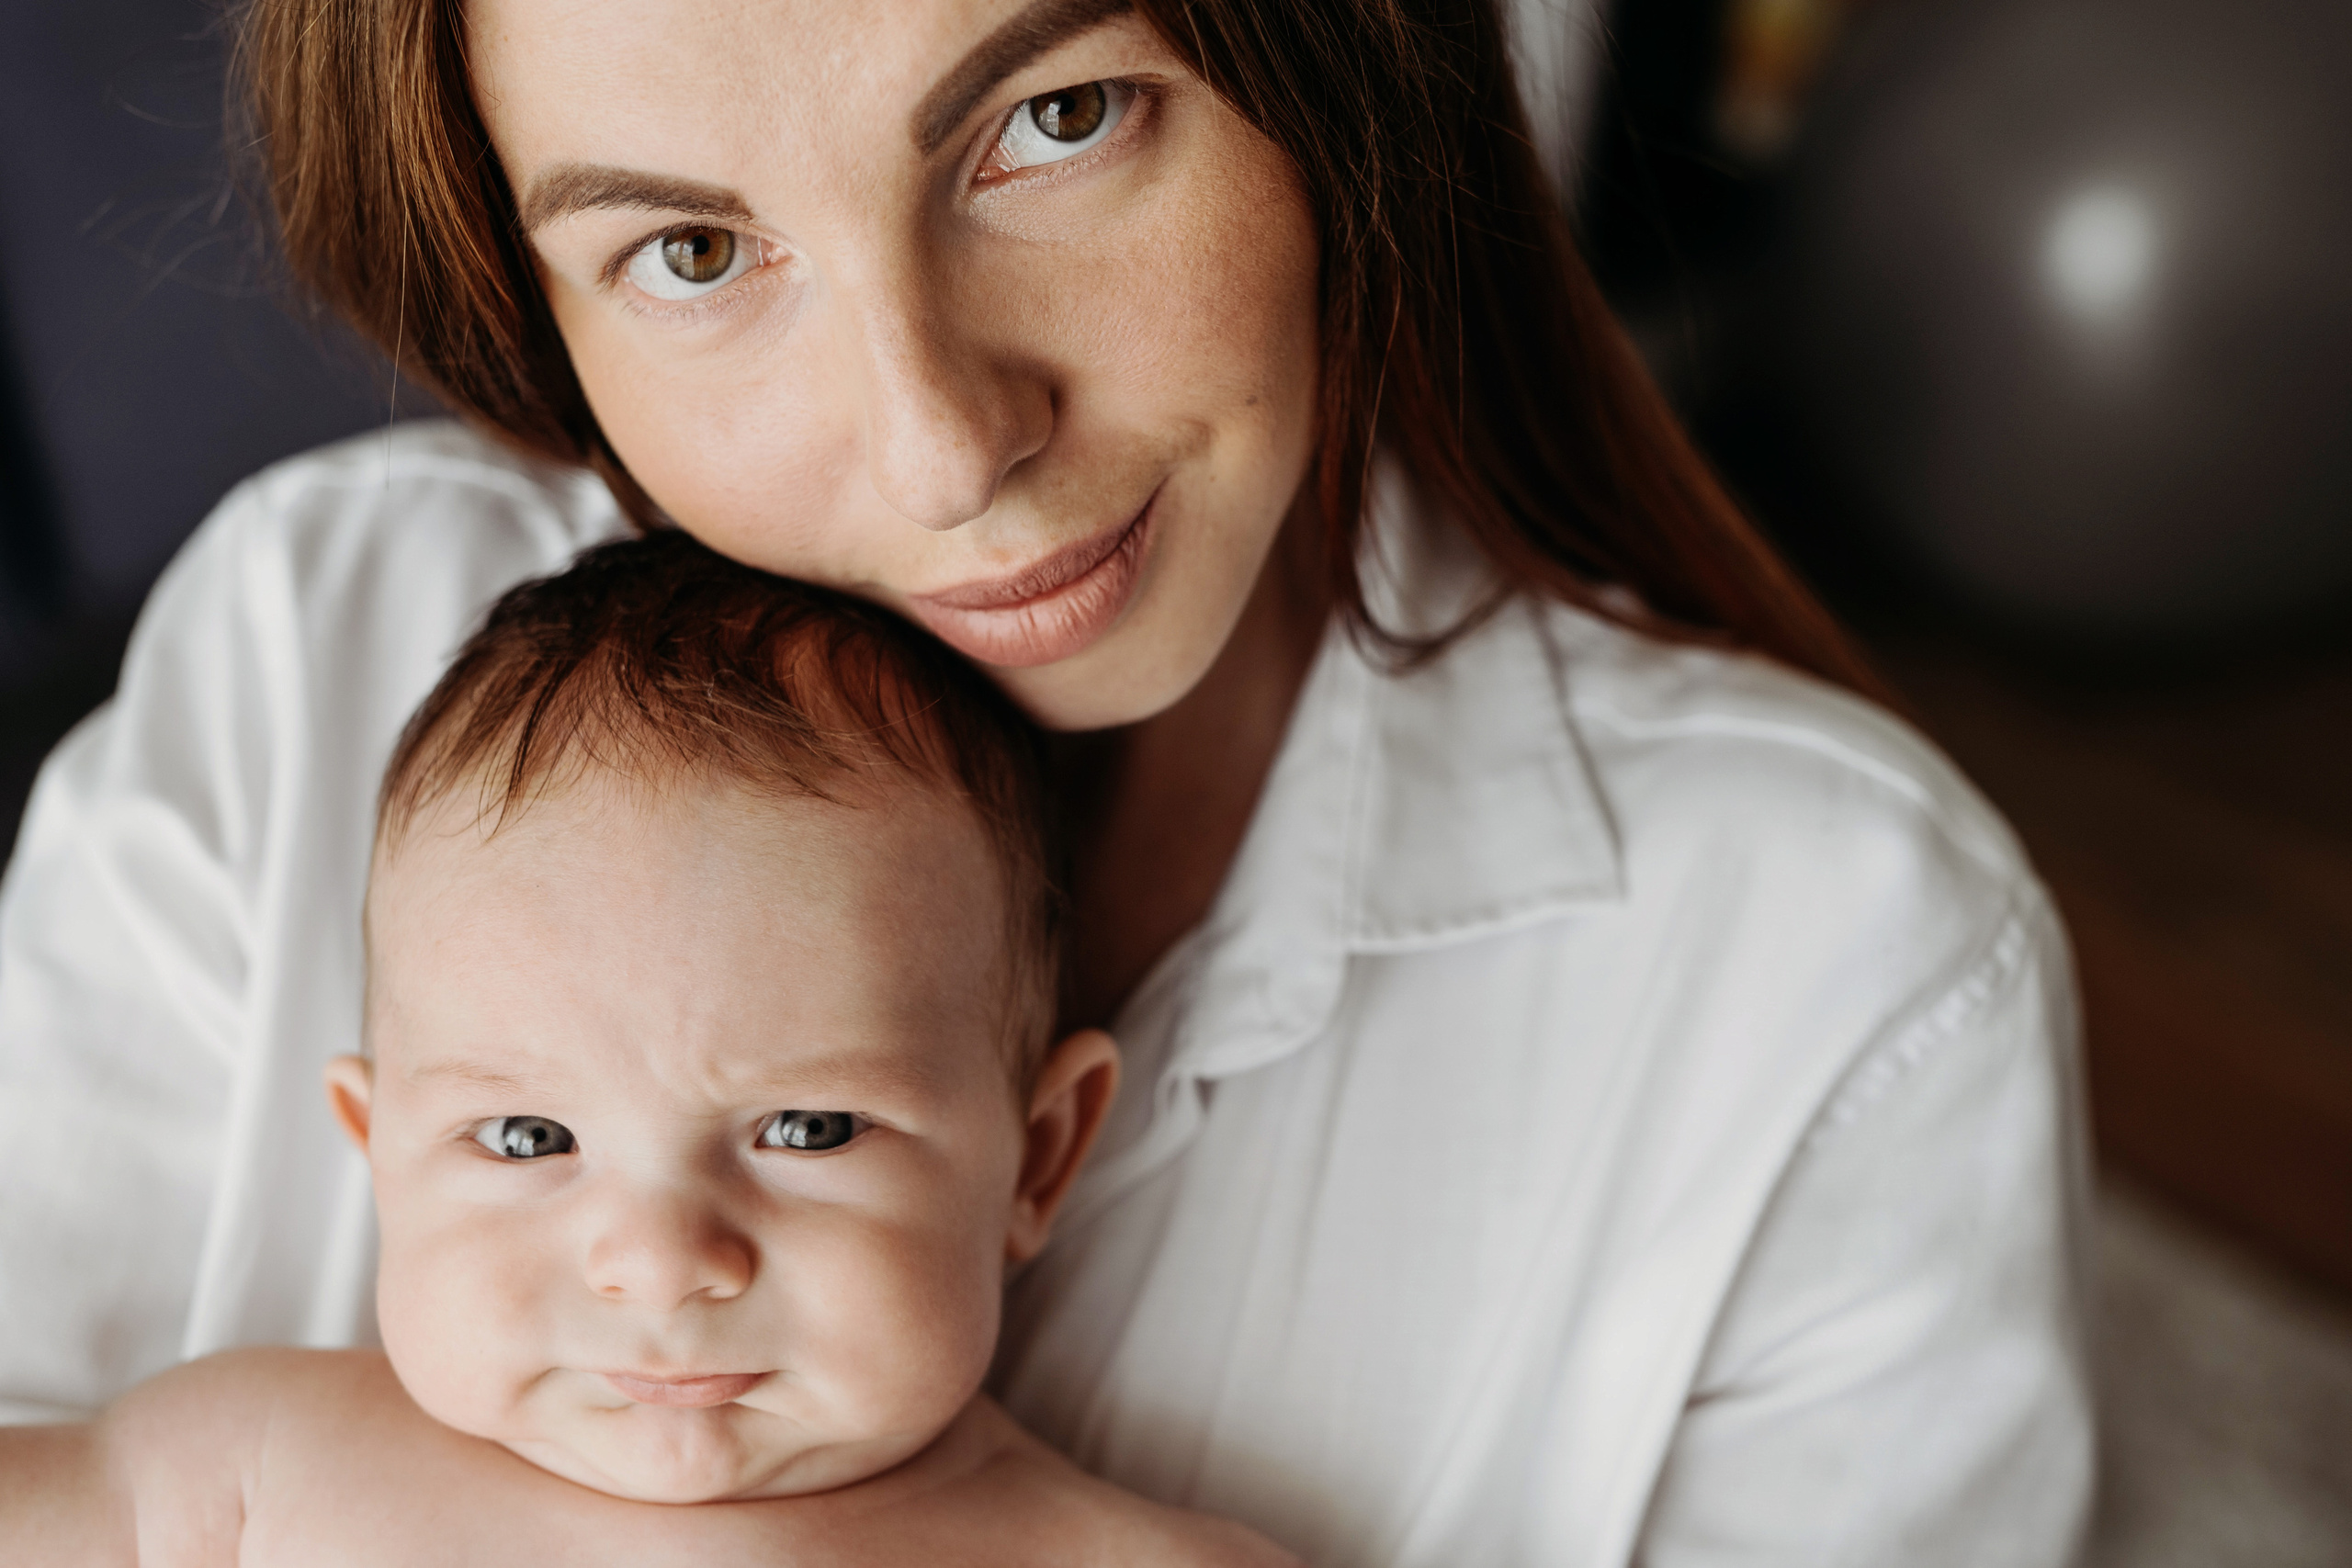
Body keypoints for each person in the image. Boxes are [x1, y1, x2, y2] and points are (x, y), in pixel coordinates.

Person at [0, 0, 2094, 1562]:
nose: (937, 444)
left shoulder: (1833, 968)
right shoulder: (318, 635)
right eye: (691, 253)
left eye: (1052, 121)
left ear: (1335, 73)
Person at [0, 533, 1296, 1567]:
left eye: (808, 1130)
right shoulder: (244, 1477)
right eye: (526, 1138)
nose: (664, 1264)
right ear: (380, 1154)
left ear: (1039, 1155)